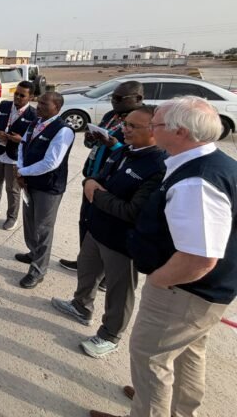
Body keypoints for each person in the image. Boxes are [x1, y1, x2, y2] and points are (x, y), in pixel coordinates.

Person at [90, 96, 237, 417]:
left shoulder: (196, 182)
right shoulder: (214, 163)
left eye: (156, 125)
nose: (152, 131)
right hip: (204, 292)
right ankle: (172, 407)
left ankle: (151, 405)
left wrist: (158, 280)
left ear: (180, 132)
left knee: (150, 359)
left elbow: (199, 259)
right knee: (187, 355)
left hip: (183, 291)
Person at [51, 105, 166, 358]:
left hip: (122, 241)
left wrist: (96, 193)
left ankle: (110, 335)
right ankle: (81, 307)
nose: (125, 129)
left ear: (155, 130)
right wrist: (92, 185)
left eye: (133, 126)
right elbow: (96, 177)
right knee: (86, 269)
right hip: (98, 228)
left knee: (119, 291)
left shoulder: (158, 165)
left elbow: (132, 211)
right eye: (126, 124)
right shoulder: (124, 151)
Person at [60, 81, 144, 272]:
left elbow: (139, 154)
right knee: (86, 222)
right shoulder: (110, 116)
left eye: (119, 98)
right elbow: (96, 143)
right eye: (112, 97)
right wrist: (91, 139)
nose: (114, 101)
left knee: (106, 229)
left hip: (112, 184)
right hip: (92, 177)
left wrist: (113, 145)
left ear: (138, 99)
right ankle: (85, 261)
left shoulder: (140, 124)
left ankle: (105, 273)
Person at [14, 91, 74, 288]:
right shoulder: (35, 122)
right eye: (38, 102)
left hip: (48, 187)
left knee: (43, 228)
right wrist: (21, 171)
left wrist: (23, 171)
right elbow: (22, 145)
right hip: (29, 181)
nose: (38, 106)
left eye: (44, 104)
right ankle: (33, 252)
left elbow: (51, 162)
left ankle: (38, 270)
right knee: (30, 222)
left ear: (57, 107)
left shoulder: (63, 130)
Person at [0, 81, 37, 230]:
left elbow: (34, 138)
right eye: (16, 93)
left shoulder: (33, 115)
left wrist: (20, 139)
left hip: (15, 157)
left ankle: (12, 217)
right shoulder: (4, 106)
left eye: (22, 95)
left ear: (31, 97)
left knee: (13, 188)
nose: (17, 97)